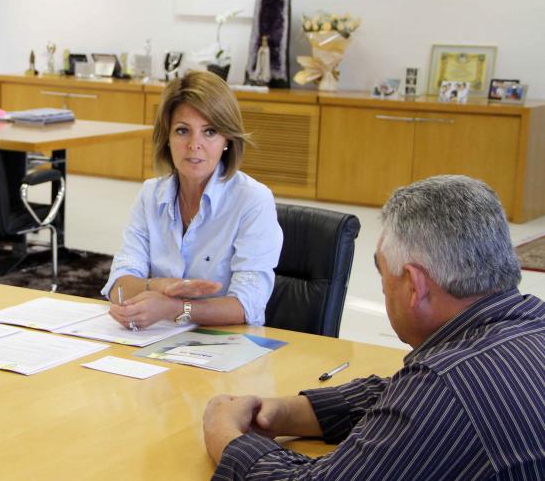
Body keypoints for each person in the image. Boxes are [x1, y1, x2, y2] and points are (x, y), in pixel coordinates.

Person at [203, 175, 545, 479]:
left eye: (383, 273)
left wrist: (226, 437)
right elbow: (399, 396)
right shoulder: (529, 322)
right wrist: (286, 413)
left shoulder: (445, 385)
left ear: (414, 285)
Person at [102, 70, 282, 328]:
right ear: (167, 138)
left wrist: (173, 308)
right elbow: (119, 285)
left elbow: (247, 306)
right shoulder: (150, 195)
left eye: (209, 132)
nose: (194, 144)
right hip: (156, 339)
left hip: (225, 343)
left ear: (227, 140)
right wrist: (159, 285)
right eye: (182, 130)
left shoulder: (253, 200)